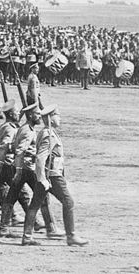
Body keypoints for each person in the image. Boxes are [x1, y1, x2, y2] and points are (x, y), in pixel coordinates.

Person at [21, 105, 88, 246]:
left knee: (35, 205)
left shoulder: (48, 132)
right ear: (50, 118)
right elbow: (40, 158)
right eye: (57, 116)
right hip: (52, 176)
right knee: (68, 202)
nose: (60, 119)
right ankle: (71, 236)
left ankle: (27, 237)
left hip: (48, 175)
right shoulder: (48, 135)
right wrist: (42, 179)